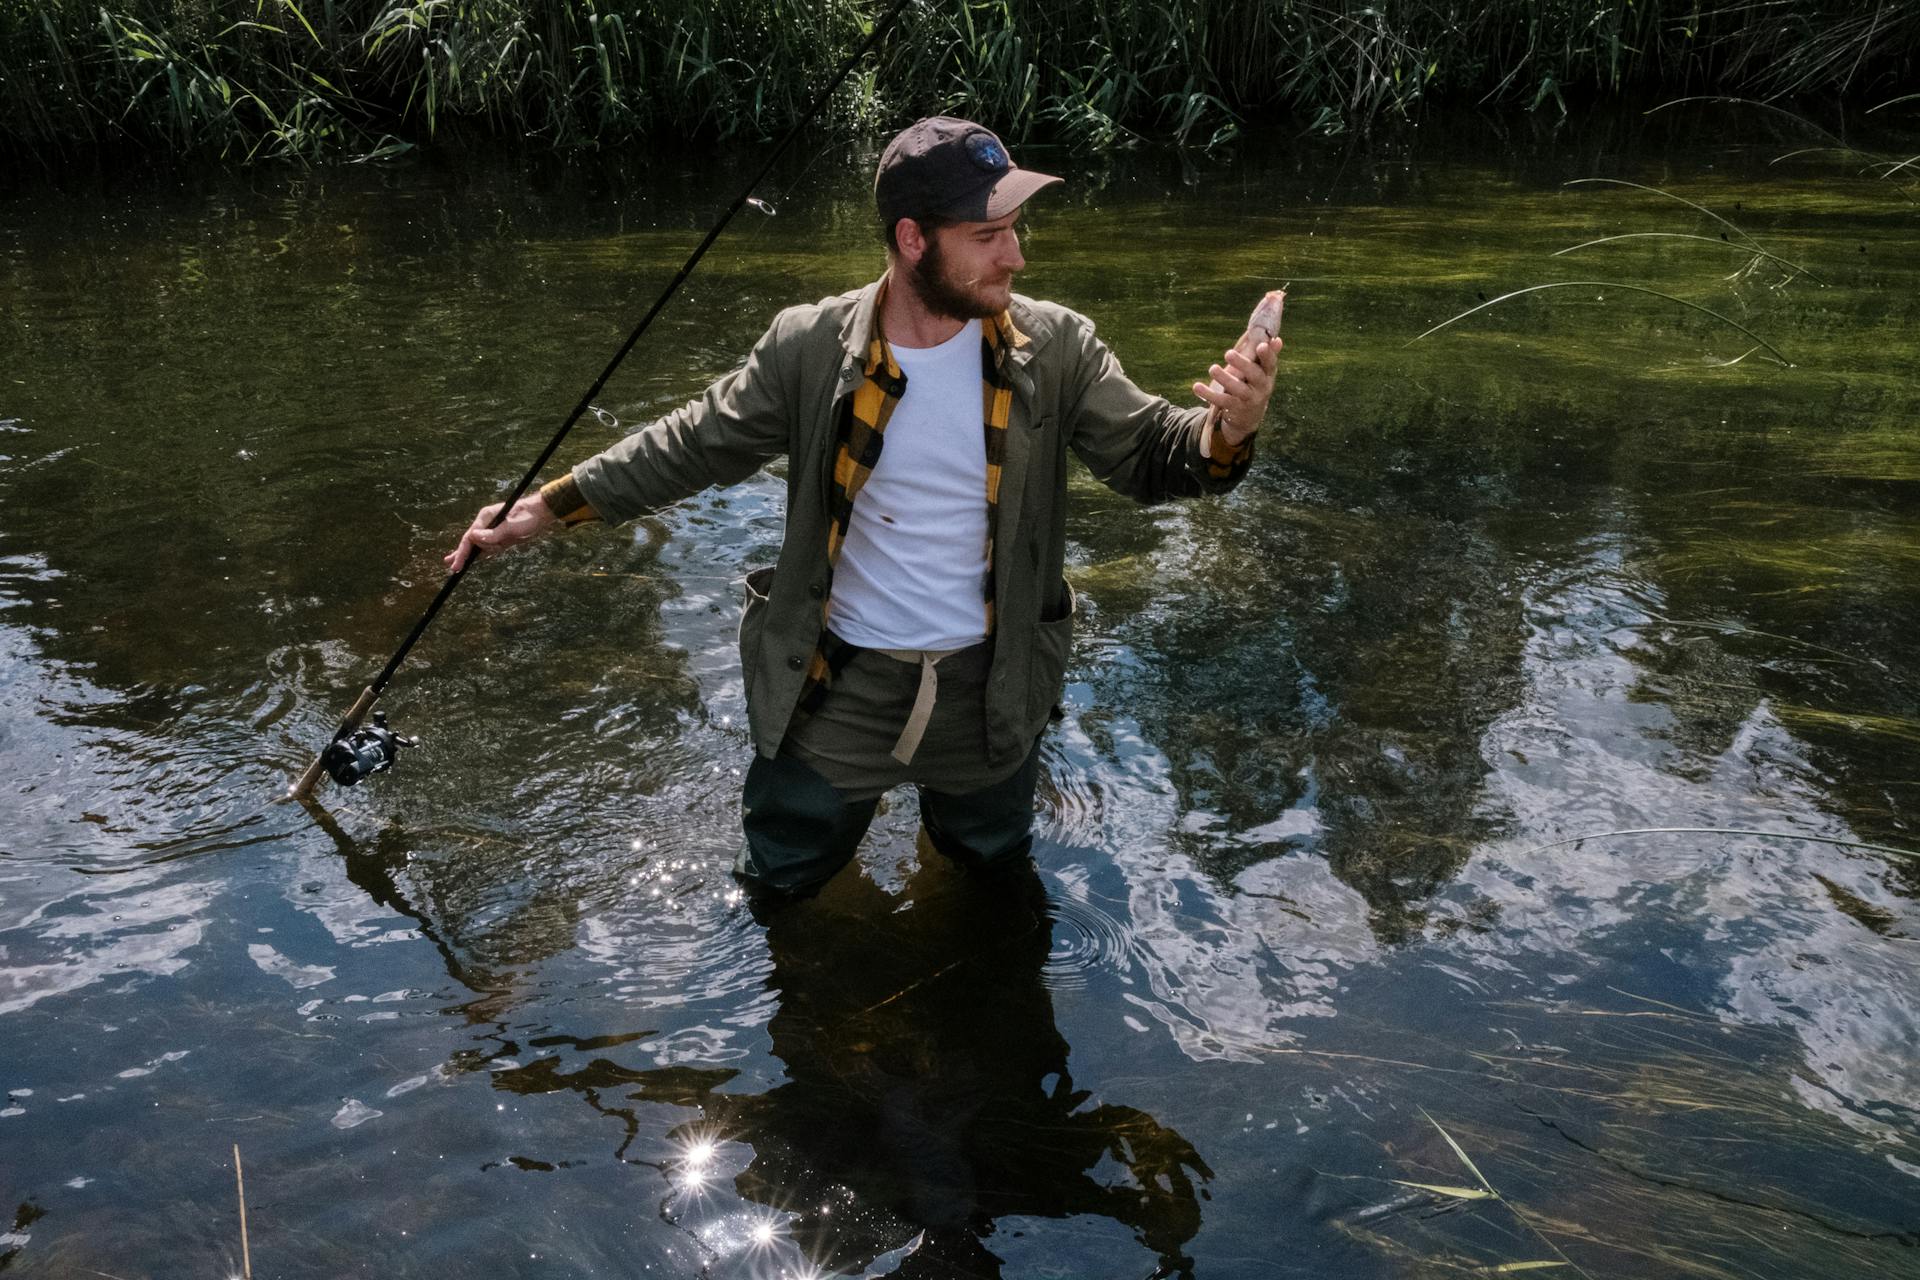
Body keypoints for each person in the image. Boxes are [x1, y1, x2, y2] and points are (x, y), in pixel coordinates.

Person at [445, 115, 1279, 900]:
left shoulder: (1055, 347)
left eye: (1014, 232)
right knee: (779, 883)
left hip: (992, 693)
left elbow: (1151, 455)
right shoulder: (810, 345)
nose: (1015, 257)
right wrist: (547, 508)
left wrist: (1226, 426)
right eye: (988, 236)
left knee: (988, 884)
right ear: (913, 240)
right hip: (835, 689)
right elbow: (694, 442)